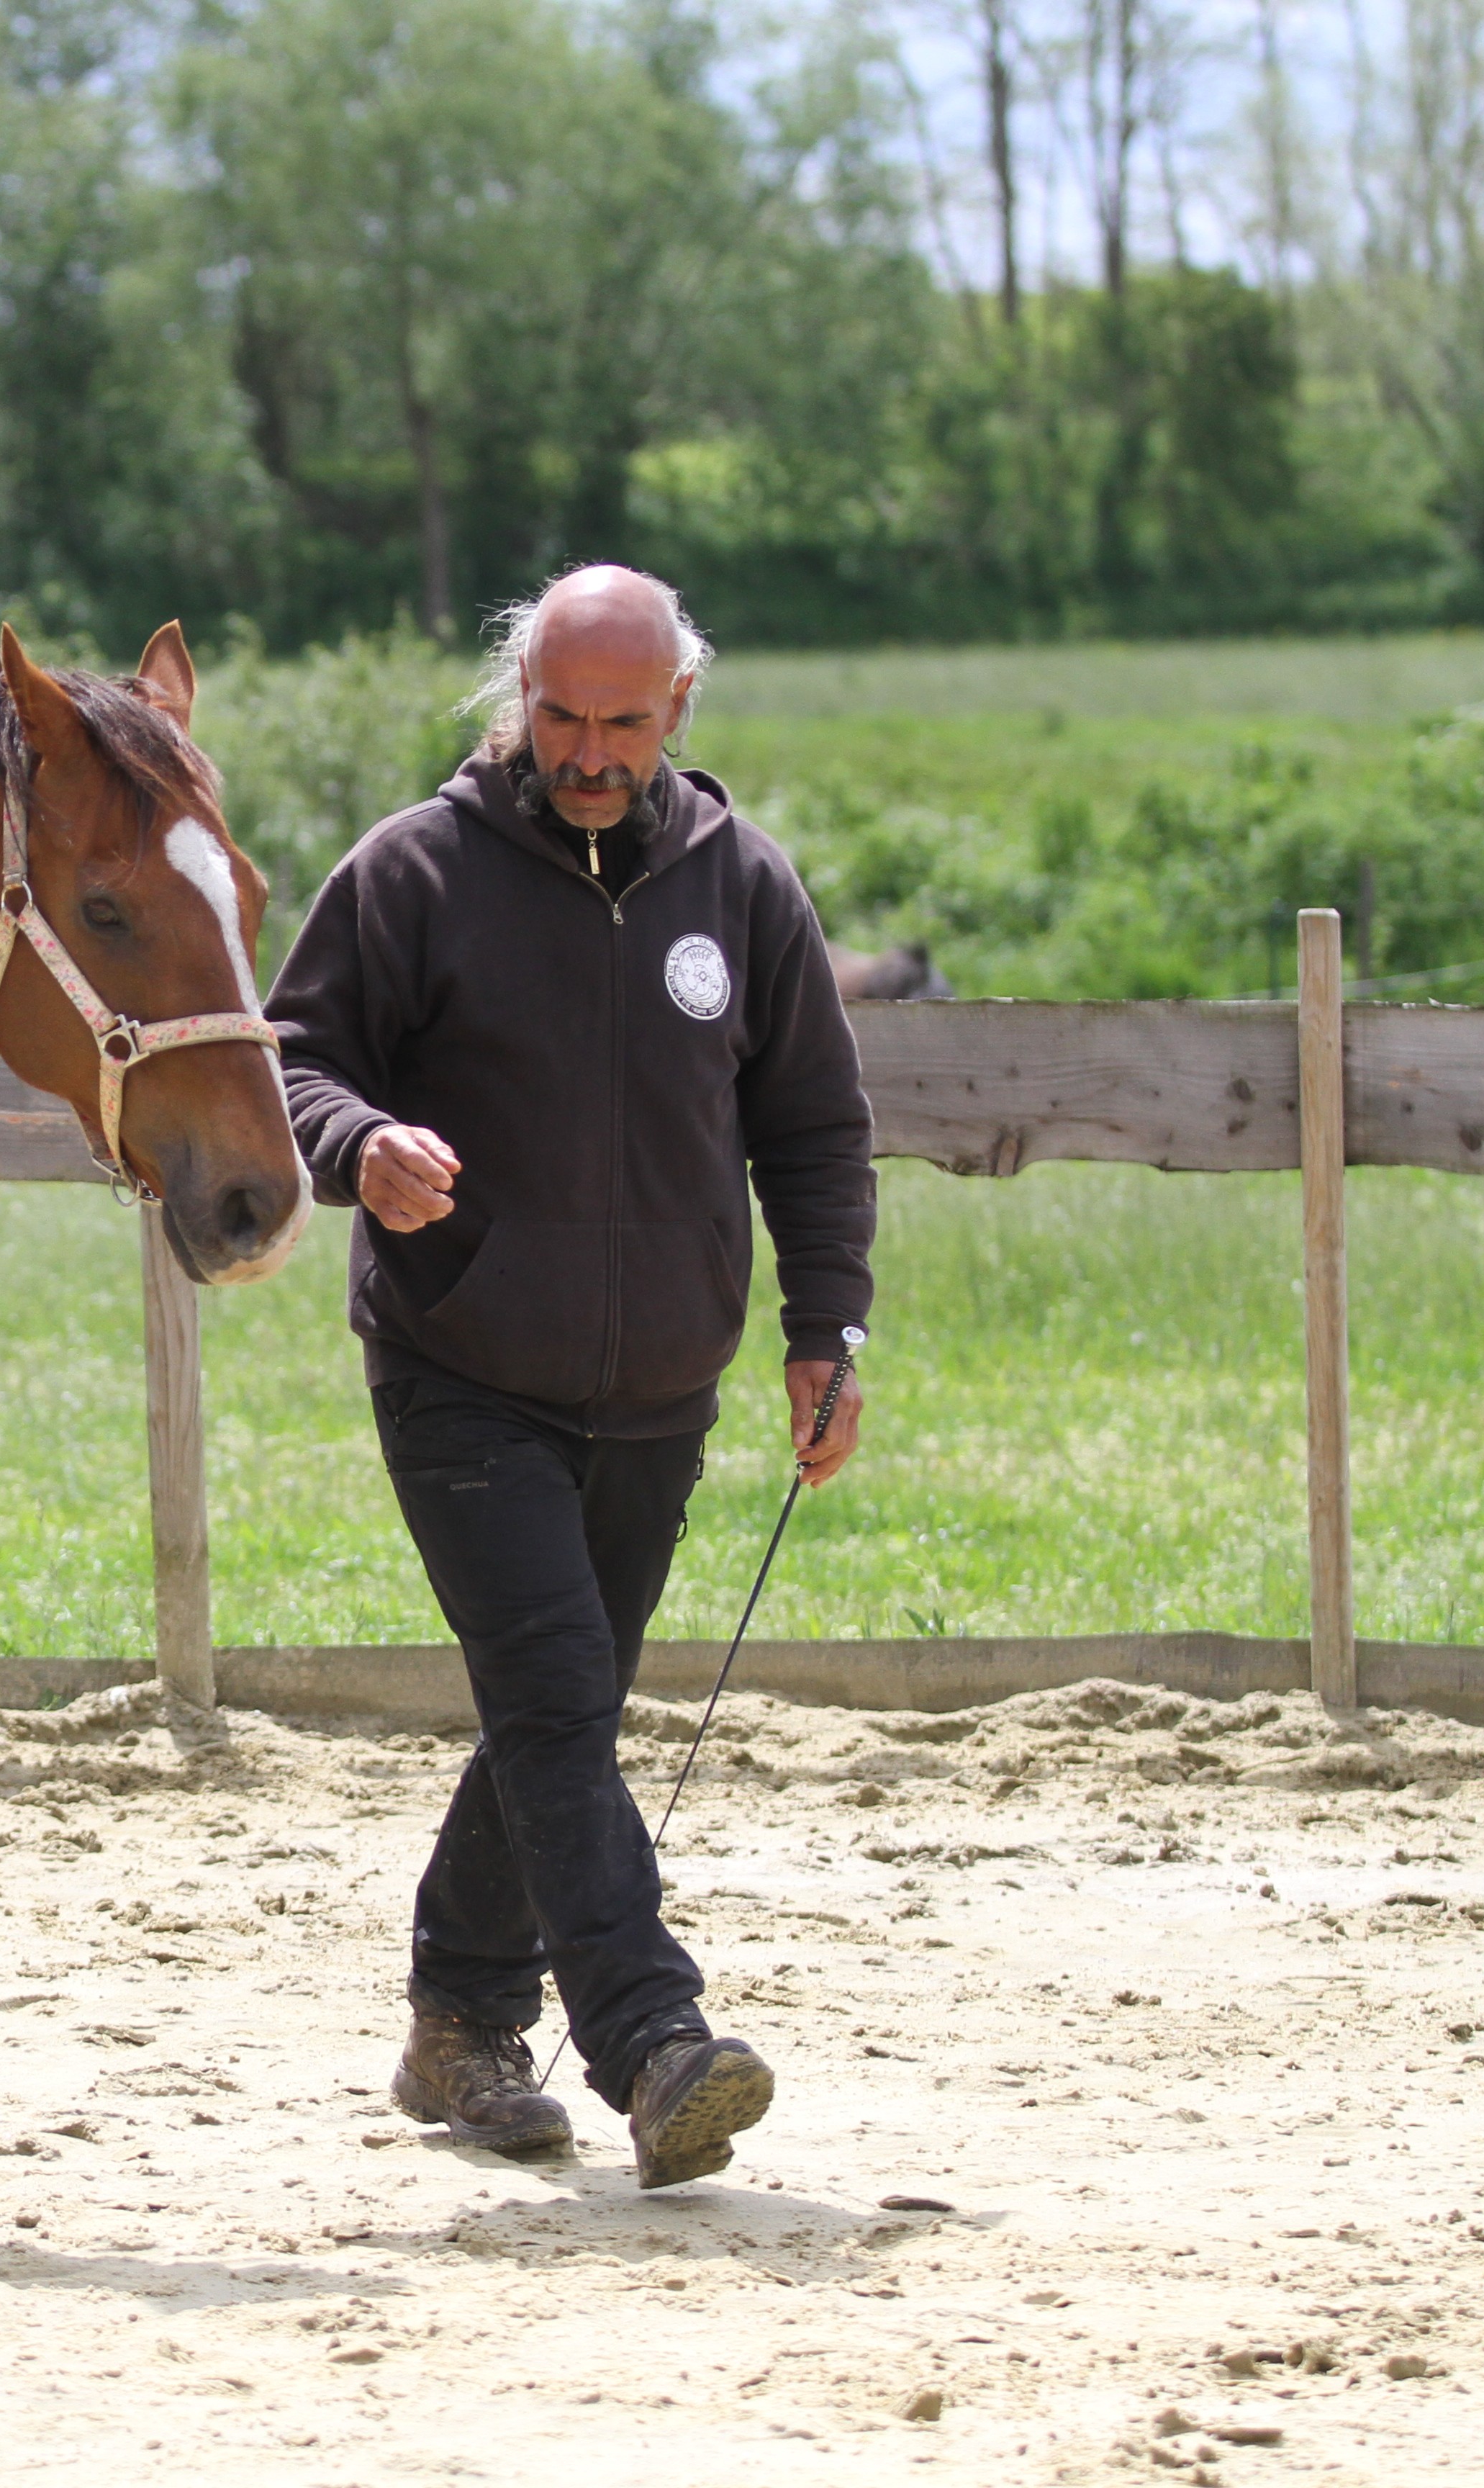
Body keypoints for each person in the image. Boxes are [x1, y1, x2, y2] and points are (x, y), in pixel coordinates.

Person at [266, 564, 876, 2190]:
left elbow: (813, 1128)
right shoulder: (412, 872)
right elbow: (294, 1052)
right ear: (516, 701)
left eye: (620, 721)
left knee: (565, 1712)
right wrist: (356, 1141)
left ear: (679, 709)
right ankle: (651, 2038)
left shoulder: (742, 887)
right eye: (559, 715)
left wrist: (830, 1332)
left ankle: (460, 2021)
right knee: (553, 1696)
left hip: (662, 1384)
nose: (588, 750)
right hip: (462, 1364)